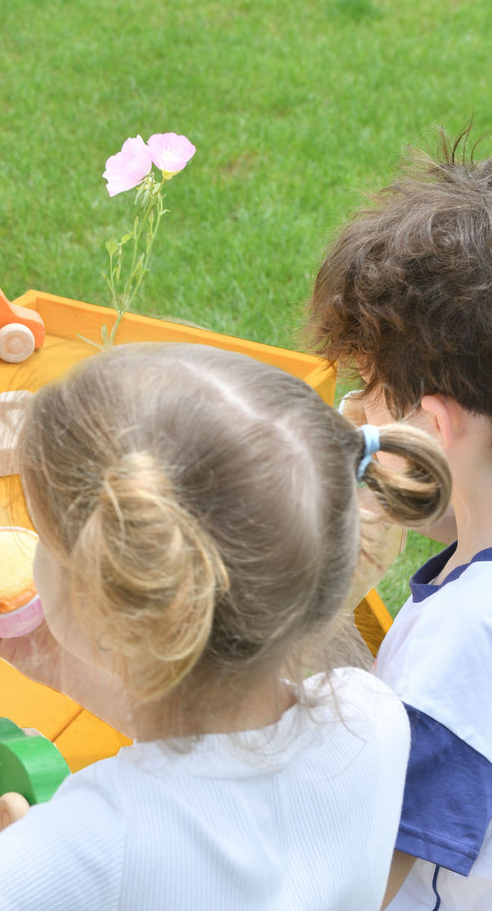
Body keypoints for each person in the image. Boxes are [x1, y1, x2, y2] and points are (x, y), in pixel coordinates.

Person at [0, 343, 451, 910]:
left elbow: (135, 836)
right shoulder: (371, 718)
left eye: (46, 537)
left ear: (117, 600)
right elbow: (221, 782)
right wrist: (91, 674)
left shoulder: (96, 837)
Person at [306, 130, 492, 909]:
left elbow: (346, 888)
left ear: (429, 427)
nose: (353, 412)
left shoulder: (464, 641)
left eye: (370, 387)